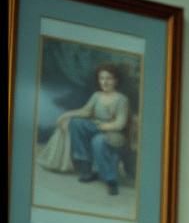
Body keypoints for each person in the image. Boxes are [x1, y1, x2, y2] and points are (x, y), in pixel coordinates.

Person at [51, 62, 131, 195]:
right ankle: (86, 168)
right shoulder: (97, 95)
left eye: (109, 78)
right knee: (76, 123)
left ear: (116, 80)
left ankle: (110, 180)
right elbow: (85, 112)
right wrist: (66, 115)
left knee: (98, 140)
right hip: (98, 127)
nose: (104, 82)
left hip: (114, 133)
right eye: (102, 78)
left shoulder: (121, 99)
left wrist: (104, 126)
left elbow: (120, 123)